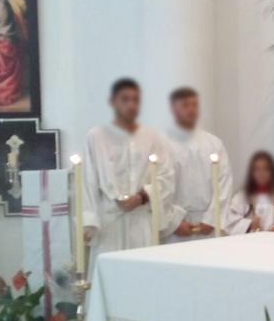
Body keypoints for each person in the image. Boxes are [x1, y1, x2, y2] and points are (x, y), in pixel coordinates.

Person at [81, 78, 174, 266]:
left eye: (135, 100)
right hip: (109, 220)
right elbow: (87, 180)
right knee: (109, 273)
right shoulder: (96, 136)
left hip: (140, 218)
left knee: (141, 272)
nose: (131, 105)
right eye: (125, 99)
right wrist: (88, 220)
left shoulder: (152, 137)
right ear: (112, 101)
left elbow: (166, 176)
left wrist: (141, 196)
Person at [164, 87, 233, 242]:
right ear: (174, 108)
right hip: (177, 229)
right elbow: (158, 188)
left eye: (194, 105)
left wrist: (212, 219)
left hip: (209, 227)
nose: (191, 110)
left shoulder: (214, 143)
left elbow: (224, 184)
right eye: (185, 105)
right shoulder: (162, 144)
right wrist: (174, 222)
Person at [226, 150, 274, 234]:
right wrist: (249, 224)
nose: (261, 173)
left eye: (265, 169)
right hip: (248, 243)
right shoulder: (242, 197)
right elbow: (231, 223)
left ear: (272, 172)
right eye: (257, 169)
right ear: (251, 173)